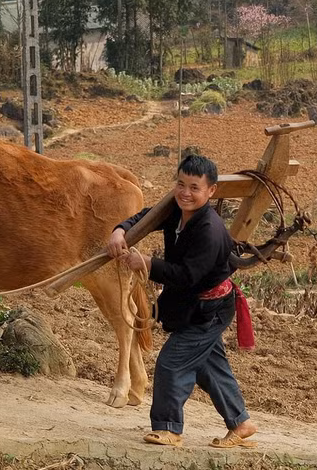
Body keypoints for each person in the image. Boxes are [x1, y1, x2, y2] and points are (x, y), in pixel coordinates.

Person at [107, 154, 258, 449]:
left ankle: (168, 429)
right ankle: (241, 423)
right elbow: (146, 217)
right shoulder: (176, 210)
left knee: (171, 363)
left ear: (211, 191)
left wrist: (148, 263)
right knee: (208, 366)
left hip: (208, 309)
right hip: (194, 305)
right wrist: (120, 230)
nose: (185, 193)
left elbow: (187, 276)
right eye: (180, 184)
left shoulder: (209, 230)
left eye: (194, 187)